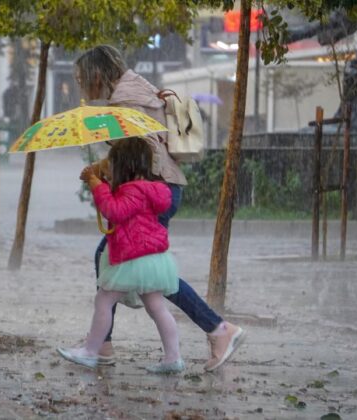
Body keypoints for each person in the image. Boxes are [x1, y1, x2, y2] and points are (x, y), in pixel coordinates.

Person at [74, 45, 245, 372]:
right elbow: (145, 149)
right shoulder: (140, 90)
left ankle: (218, 329)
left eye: (84, 78)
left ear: (98, 74)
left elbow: (143, 154)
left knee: (153, 272)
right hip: (163, 188)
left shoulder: (125, 101)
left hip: (153, 192)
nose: (82, 85)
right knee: (141, 268)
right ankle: (104, 344)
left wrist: (100, 173)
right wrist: (104, 167)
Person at [58, 138, 184, 373]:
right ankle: (173, 357)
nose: (109, 168)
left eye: (112, 164)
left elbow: (114, 210)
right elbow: (123, 203)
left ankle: (91, 351)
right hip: (154, 257)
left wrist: (96, 184)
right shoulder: (149, 188)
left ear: (124, 166)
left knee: (104, 300)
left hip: (133, 258)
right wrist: (101, 179)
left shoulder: (133, 190)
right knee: (157, 306)